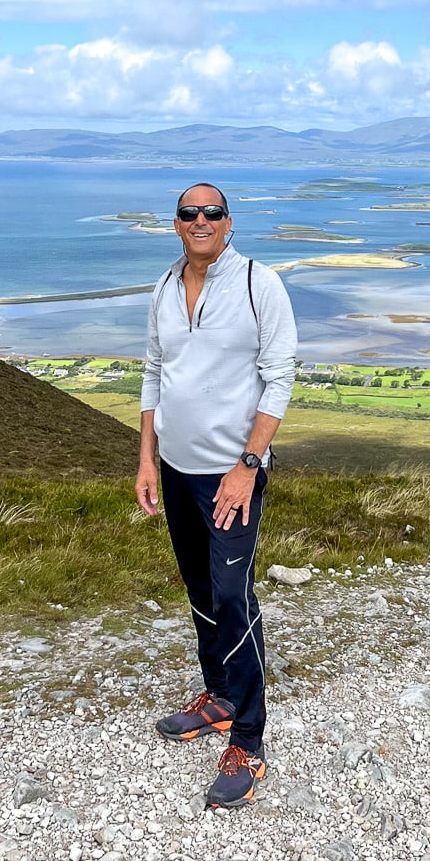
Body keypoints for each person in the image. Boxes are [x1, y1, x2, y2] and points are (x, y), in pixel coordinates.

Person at [135, 182, 297, 809]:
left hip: (233, 473)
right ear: (175, 223)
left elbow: (280, 376)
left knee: (233, 595)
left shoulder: (260, 283)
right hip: (174, 467)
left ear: (229, 222)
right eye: (188, 213)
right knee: (201, 589)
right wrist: (147, 459)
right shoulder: (163, 286)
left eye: (212, 213)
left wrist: (247, 465)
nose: (200, 221)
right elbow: (154, 370)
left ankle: (249, 742)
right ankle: (220, 699)